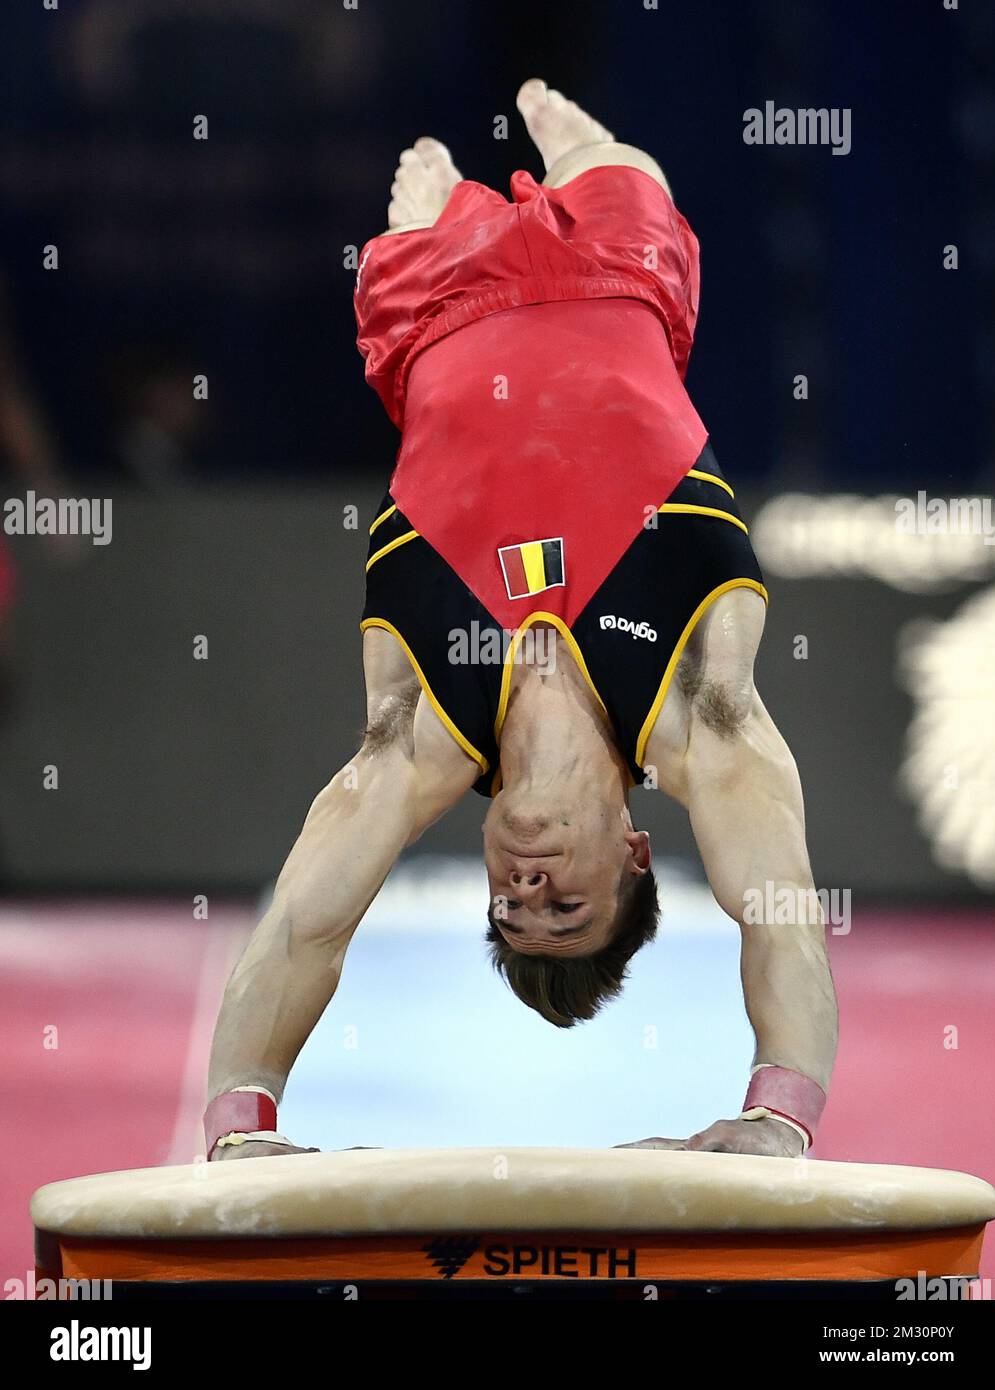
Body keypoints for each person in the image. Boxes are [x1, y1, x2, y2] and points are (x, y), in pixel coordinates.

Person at [203, 80, 837, 1164]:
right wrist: (779, 1113)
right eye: (566, 903)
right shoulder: (701, 712)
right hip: (616, 271)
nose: (528, 885)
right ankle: (575, 141)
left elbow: (305, 923)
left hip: (430, 307)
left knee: (410, 212)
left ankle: (452, 203)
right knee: (615, 160)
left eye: (509, 907)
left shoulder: (418, 735)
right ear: (638, 853)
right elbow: (778, 912)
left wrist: (237, 1123)